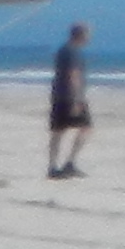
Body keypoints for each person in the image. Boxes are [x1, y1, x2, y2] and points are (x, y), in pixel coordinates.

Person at [48, 22, 93, 178]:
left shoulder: (63, 50)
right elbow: (73, 76)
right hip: (70, 97)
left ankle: (53, 167)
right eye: (88, 34)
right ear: (81, 35)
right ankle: (69, 163)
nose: (89, 38)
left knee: (58, 131)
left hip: (58, 95)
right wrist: (76, 100)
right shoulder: (73, 52)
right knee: (86, 127)